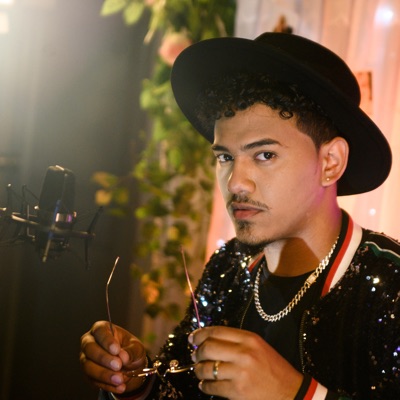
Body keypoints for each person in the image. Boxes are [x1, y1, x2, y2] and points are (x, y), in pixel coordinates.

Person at [79, 32, 400, 400]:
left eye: (265, 155)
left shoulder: (390, 286)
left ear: (330, 162)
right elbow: (180, 392)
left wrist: (296, 394)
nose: (235, 183)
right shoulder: (229, 267)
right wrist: (138, 383)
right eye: (225, 157)